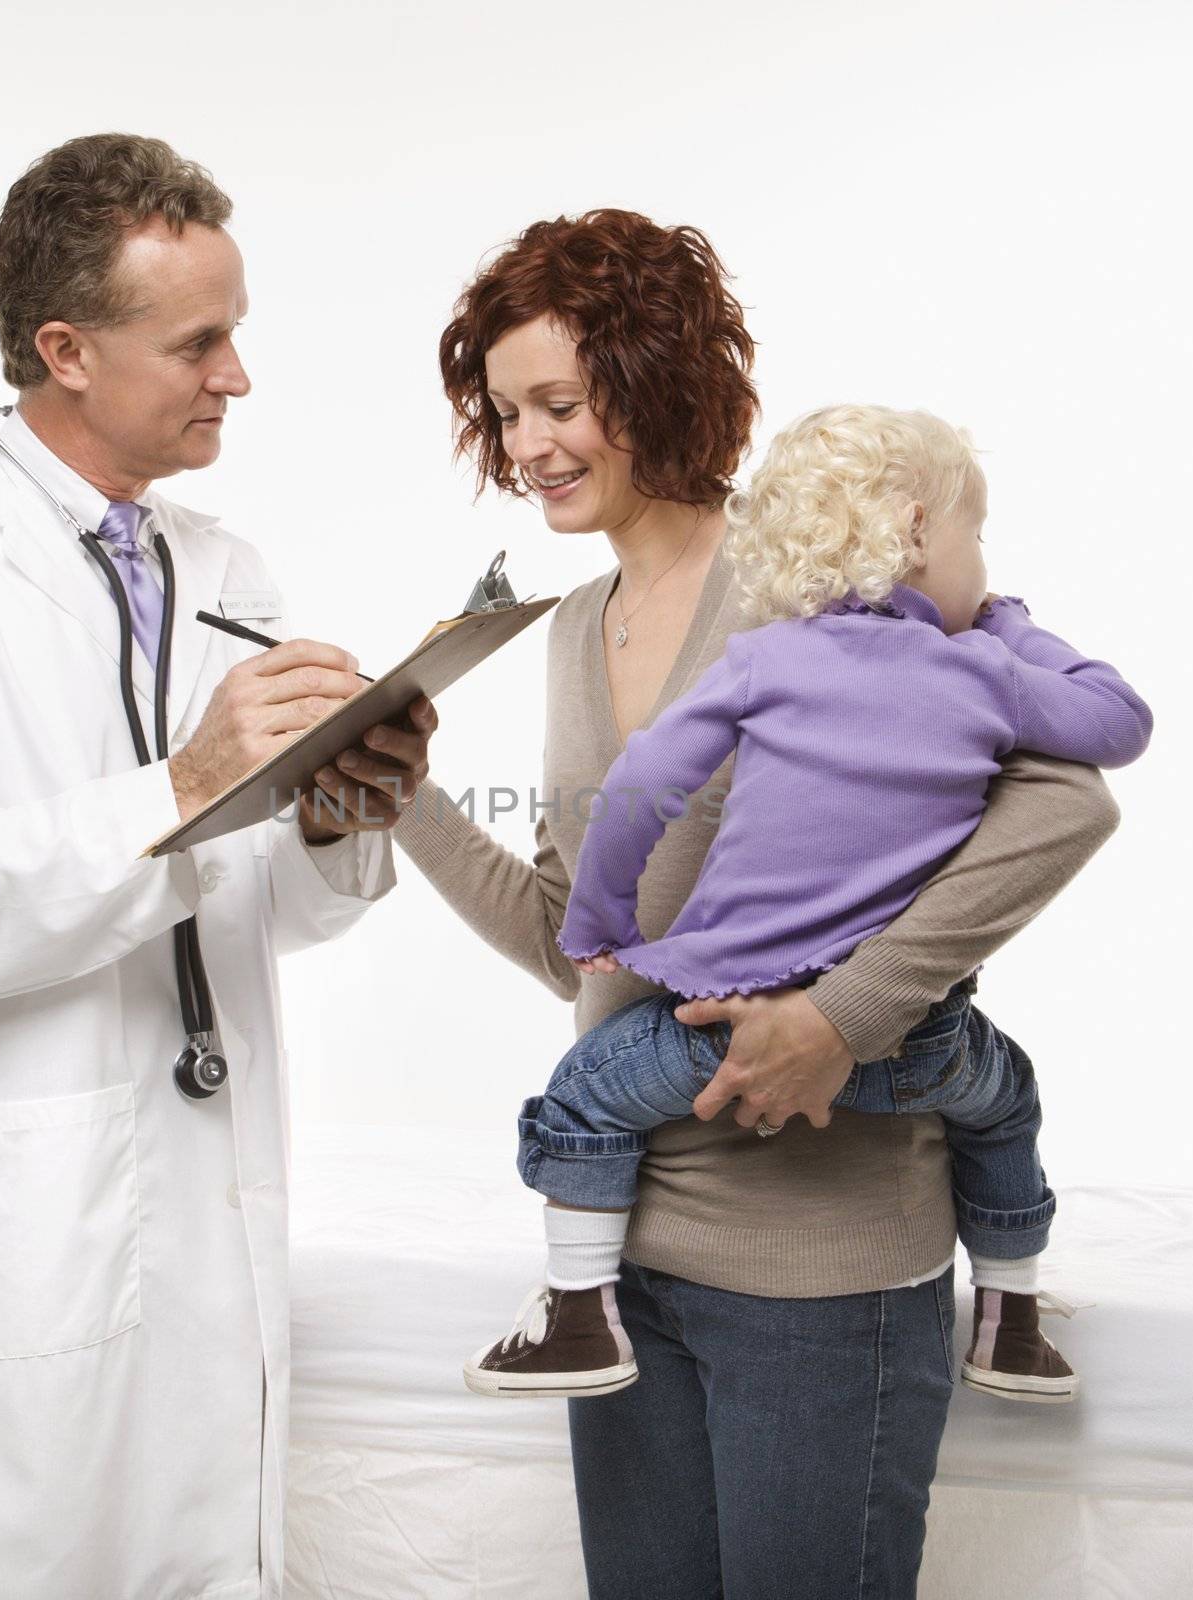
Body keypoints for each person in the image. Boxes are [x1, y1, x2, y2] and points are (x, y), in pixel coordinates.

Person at [394, 210, 1124, 1597]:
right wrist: (407, 805)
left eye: (559, 403)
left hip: (822, 1276)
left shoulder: (818, 579)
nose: (529, 445)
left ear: (660, 381)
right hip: (623, 1270)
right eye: (505, 413)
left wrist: (847, 1018)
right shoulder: (567, 630)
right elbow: (585, 951)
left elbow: (1066, 803)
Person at [0, 132, 434, 1600]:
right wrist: (187, 784)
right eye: (199, 342)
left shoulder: (226, 568)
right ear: (64, 348)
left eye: (236, 333)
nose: (237, 376)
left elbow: (241, 910)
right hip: (7, 1218)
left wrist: (332, 817)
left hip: (204, 1205)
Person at [462, 402, 1152, 1408]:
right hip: (915, 1049)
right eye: (977, 538)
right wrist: (1015, 631)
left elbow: (632, 796)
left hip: (712, 1029)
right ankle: (1009, 1318)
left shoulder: (761, 659)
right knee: (1004, 1103)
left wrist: (598, 925)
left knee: (581, 1097)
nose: (984, 570)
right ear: (918, 531)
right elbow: (1119, 723)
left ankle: (577, 1313)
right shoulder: (986, 674)